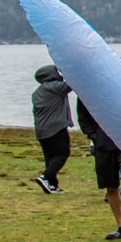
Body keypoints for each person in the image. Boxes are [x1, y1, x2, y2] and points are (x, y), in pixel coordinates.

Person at [77, 63, 121, 241]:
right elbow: (83, 118)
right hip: (103, 144)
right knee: (111, 186)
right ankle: (120, 226)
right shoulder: (87, 93)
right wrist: (94, 136)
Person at [31, 64, 73, 192]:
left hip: (41, 130)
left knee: (50, 158)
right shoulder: (54, 87)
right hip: (56, 127)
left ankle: (52, 185)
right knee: (62, 153)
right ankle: (46, 176)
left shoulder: (37, 92)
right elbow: (71, 85)